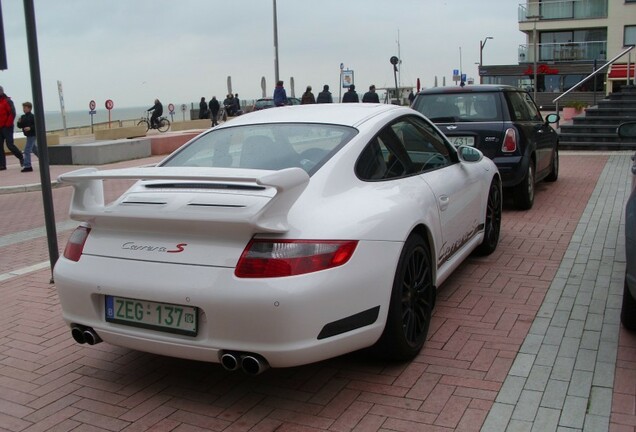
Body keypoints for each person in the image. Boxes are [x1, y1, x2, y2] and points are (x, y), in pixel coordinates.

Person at [0, 86, 24, 170]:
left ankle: (21, 157)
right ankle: (2, 165)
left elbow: (12, 113)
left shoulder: (8, 101)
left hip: (7, 127)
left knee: (10, 145)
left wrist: (7, 124)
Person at [16, 102, 38, 173]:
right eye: (23, 108)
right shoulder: (23, 117)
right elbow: (20, 126)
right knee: (34, 149)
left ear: (29, 108)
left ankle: (28, 166)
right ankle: (46, 161)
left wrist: (30, 128)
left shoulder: (33, 116)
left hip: (33, 135)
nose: (24, 109)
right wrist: (19, 122)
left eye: (25, 108)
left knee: (27, 150)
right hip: (28, 135)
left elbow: (37, 125)